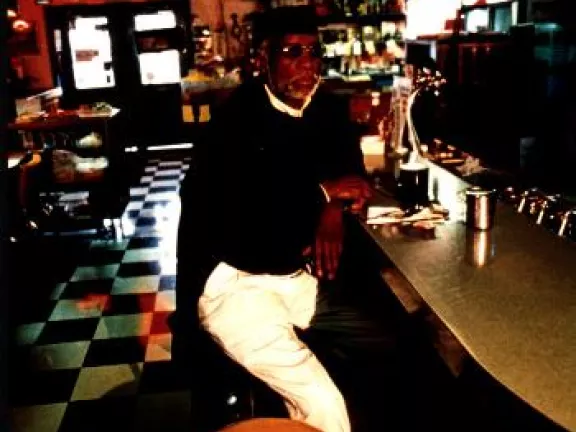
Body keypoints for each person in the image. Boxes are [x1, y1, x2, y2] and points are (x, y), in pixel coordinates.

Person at [175, 6, 461, 432]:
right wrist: (324, 193)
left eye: (314, 53)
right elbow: (245, 218)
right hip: (234, 287)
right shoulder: (233, 121)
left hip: (294, 280)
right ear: (263, 59)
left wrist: (331, 210)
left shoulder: (326, 108)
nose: (307, 65)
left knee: (400, 341)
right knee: (322, 403)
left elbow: (353, 177)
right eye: (292, 52)